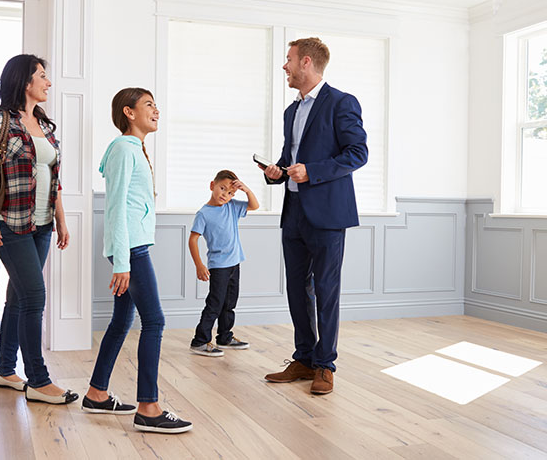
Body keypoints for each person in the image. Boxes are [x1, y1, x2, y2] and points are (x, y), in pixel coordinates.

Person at [0, 54, 77, 405]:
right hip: (10, 224)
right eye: (43, 76)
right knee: (34, 296)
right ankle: (39, 380)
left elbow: (52, 177)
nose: (48, 82)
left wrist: (60, 217)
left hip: (42, 223)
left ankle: (5, 370)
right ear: (25, 81)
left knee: (17, 296)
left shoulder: (43, 123)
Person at [82, 88, 192, 434]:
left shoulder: (133, 150)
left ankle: (96, 392)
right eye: (148, 105)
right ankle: (148, 406)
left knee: (120, 322)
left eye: (156, 104)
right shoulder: (122, 150)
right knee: (155, 322)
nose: (156, 110)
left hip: (132, 248)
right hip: (132, 251)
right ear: (129, 112)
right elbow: (115, 207)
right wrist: (122, 262)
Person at [261, 37, 368, 395]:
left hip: (327, 214)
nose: (284, 66)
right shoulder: (291, 111)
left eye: (288, 60)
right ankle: (304, 358)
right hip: (293, 213)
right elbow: (290, 156)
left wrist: (313, 171)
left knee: (326, 290)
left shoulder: (341, 103)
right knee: (296, 289)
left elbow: (358, 153)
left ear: (306, 62)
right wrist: (275, 171)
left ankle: (325, 365)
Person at [189, 170, 259, 357]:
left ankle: (225, 337)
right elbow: (193, 239)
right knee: (215, 303)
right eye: (222, 189)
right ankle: (200, 341)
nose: (225, 195)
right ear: (212, 185)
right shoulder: (203, 214)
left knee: (229, 303)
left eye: (230, 193)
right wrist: (199, 265)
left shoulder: (232, 206)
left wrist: (246, 189)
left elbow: (255, 205)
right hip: (218, 265)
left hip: (235, 263)